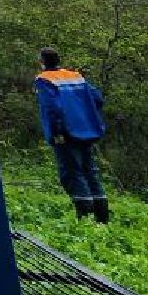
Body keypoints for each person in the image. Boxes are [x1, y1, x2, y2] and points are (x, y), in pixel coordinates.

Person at [35, 47, 110, 223]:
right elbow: (97, 99)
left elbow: (52, 108)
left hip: (66, 133)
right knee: (90, 171)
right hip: (87, 130)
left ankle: (84, 217)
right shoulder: (75, 76)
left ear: (42, 61)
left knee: (71, 172)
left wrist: (57, 132)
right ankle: (102, 217)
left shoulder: (44, 80)